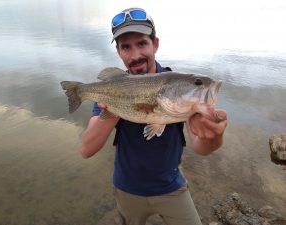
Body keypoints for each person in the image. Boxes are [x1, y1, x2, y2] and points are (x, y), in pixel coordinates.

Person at [80, 7, 228, 225]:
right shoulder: (111, 89)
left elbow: (201, 148)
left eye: (142, 43)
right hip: (127, 189)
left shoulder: (177, 87)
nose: (135, 55)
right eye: (126, 47)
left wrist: (214, 136)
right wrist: (112, 110)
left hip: (172, 188)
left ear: (155, 43)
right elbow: (86, 149)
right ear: (119, 52)